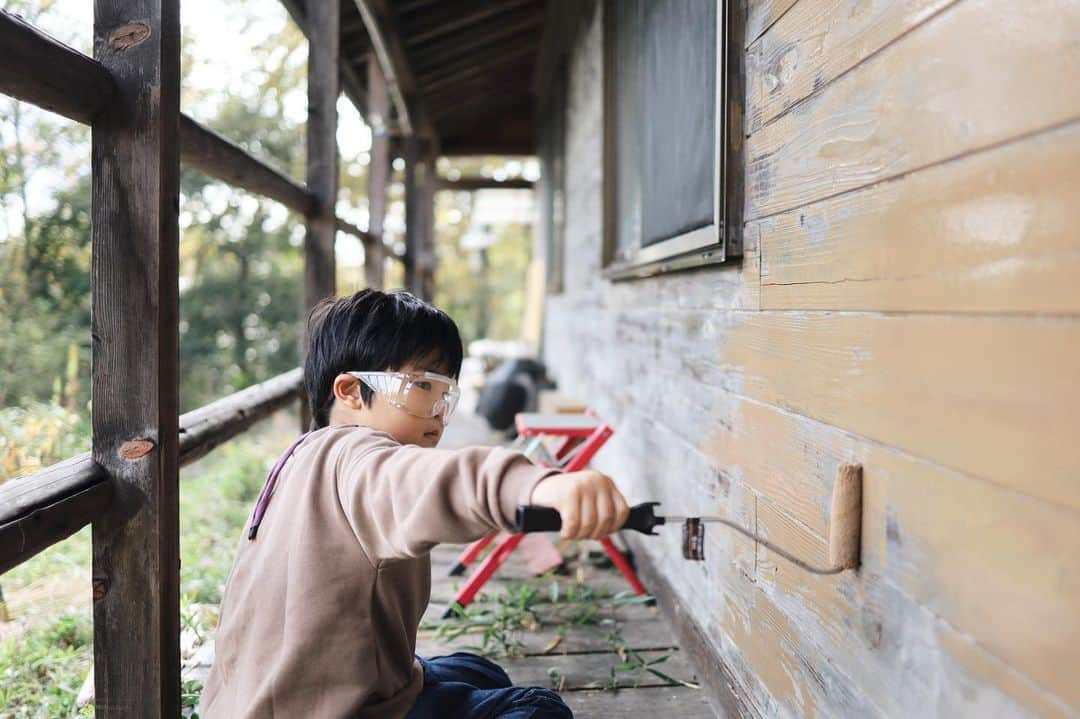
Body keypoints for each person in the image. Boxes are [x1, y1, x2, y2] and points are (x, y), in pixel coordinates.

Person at [199, 289, 631, 718]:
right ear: (351, 391)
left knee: (477, 670)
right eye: (422, 385)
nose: (439, 412)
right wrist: (538, 485)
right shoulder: (360, 460)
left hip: (257, 701)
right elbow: (434, 482)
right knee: (538, 710)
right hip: (336, 709)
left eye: (446, 393)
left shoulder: (298, 459)